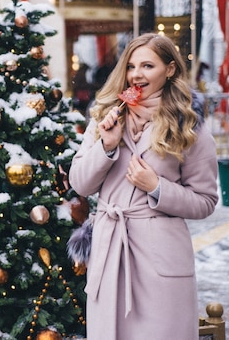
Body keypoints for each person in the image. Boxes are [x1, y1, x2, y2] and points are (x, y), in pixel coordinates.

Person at [68, 33, 218, 339]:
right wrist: (106, 148)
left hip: (160, 258)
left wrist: (157, 187)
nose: (137, 74)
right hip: (110, 251)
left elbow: (205, 201)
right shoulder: (104, 118)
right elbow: (80, 183)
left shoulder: (187, 127)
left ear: (170, 69)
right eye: (131, 66)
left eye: (148, 66)